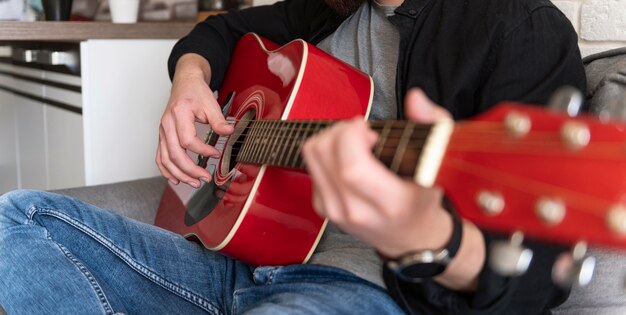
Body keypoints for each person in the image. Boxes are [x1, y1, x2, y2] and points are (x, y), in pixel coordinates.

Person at [0, 0, 585, 313]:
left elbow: (537, 275)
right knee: (16, 221)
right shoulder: (327, 9)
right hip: (234, 264)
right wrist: (188, 81)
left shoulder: (518, 30)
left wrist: (430, 237)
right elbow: (220, 31)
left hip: (361, 291)